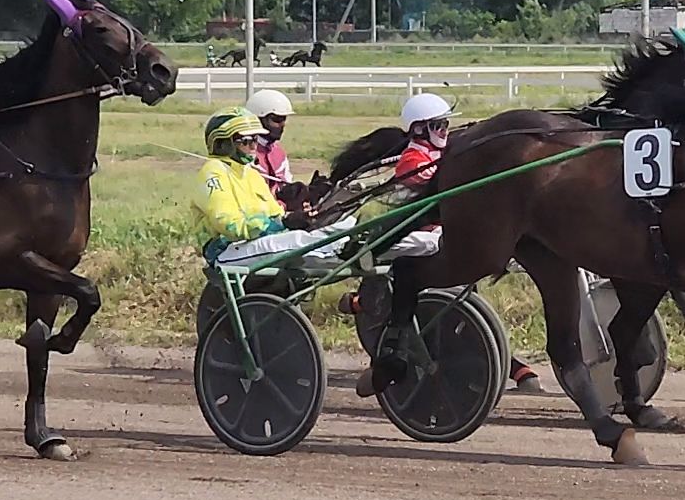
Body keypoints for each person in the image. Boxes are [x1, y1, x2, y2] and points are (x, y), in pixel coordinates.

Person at [356, 92, 546, 395]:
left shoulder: (442, 155)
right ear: (419, 129)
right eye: (438, 126)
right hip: (422, 234)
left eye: (446, 125)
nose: (445, 131)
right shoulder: (413, 160)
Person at [192, 107, 317, 264]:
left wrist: (297, 216)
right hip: (224, 249)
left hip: (253, 244)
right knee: (300, 242)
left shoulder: (251, 173)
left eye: (255, 139)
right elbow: (230, 226)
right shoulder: (213, 172)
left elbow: (275, 214)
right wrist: (282, 223)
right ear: (223, 144)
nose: (253, 147)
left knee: (321, 234)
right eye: (245, 141)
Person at [244, 88, 295, 199]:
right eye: (277, 119)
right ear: (258, 120)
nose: (282, 124)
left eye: (284, 119)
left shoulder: (279, 153)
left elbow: (287, 185)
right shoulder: (243, 154)